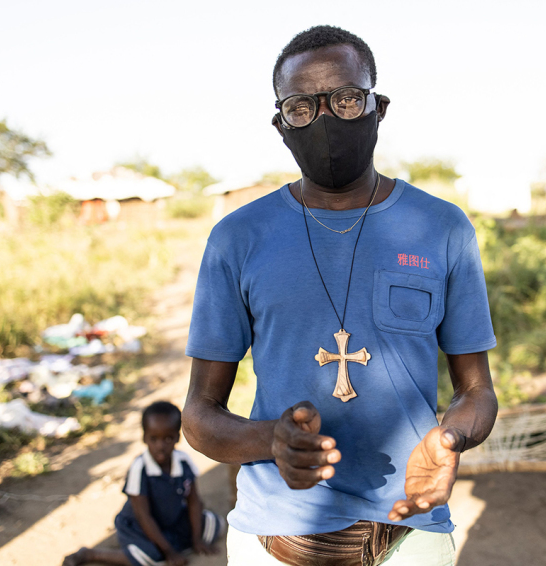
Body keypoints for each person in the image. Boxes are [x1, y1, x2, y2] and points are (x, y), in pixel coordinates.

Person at [182, 25, 497, 566]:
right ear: (282, 124)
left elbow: (477, 392)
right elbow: (199, 415)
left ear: (379, 107)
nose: (326, 120)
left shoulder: (442, 228)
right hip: (272, 538)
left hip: (410, 533)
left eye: (347, 99)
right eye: (302, 107)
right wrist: (271, 440)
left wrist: (450, 439)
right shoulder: (238, 238)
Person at [63, 401, 224, 566]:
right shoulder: (139, 468)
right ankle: (92, 554)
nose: (160, 446)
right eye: (153, 439)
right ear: (144, 438)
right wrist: (169, 552)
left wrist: (197, 540)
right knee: (151, 557)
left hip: (171, 520)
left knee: (213, 523)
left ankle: (171, 545)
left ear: (177, 437)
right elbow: (143, 516)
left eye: (168, 438)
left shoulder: (183, 462)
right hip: (138, 526)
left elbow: (194, 502)